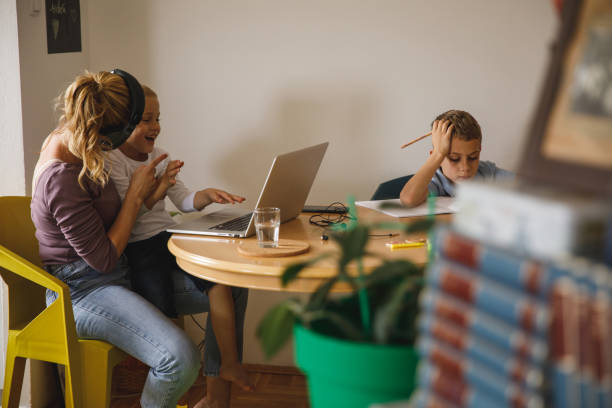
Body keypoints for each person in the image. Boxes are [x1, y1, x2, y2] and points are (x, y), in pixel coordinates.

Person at [29, 70, 244, 408]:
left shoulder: (78, 135)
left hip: (121, 271)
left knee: (230, 282)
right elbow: (102, 260)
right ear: (104, 133)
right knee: (180, 358)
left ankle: (217, 399)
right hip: (82, 290)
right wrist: (134, 197)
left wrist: (148, 196)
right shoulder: (61, 179)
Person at [105, 85, 254, 402]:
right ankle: (179, 379)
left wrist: (206, 196)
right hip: (139, 248)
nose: (155, 126)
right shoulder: (114, 162)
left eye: (158, 118)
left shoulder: (161, 156)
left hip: (169, 237)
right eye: (146, 119)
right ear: (124, 123)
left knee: (221, 280)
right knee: (165, 312)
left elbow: (183, 200)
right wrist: (156, 188)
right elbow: (129, 210)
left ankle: (228, 364)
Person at [399, 109, 512, 207]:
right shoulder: (435, 181)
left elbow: (527, 185)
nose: (465, 167)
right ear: (437, 158)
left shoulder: (486, 173)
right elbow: (408, 200)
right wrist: (438, 153)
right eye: (454, 158)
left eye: (473, 157)